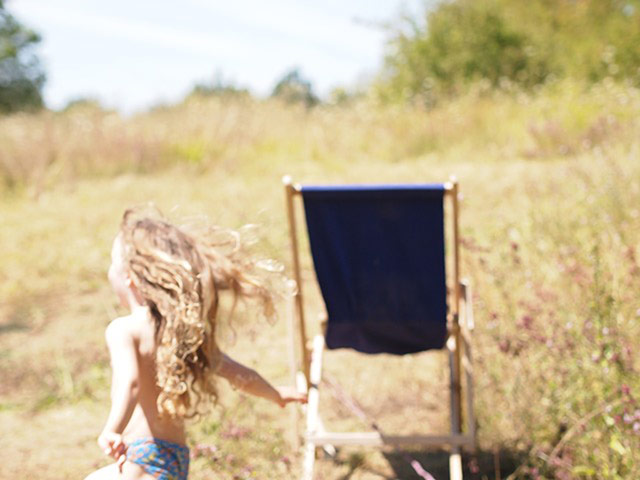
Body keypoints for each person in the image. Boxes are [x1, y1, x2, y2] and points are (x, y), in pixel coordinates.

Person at [85, 207, 306, 480]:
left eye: (111, 263)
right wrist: (276, 394)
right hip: (175, 460)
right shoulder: (180, 333)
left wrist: (112, 429)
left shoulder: (123, 329)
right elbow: (241, 376)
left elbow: (130, 383)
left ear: (129, 276)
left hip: (141, 454)